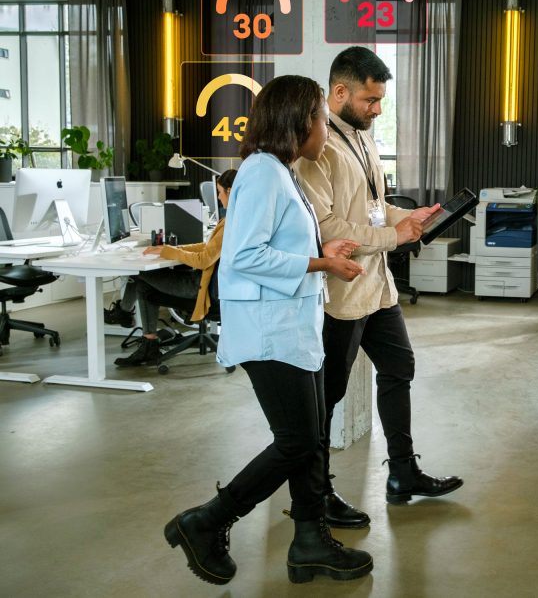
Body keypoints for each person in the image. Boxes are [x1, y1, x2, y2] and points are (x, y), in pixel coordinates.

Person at [164, 75, 373, 586]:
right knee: (297, 442)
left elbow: (278, 243)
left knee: (312, 439)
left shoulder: (281, 171)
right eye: (321, 119)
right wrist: (321, 264)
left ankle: (309, 543)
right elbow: (245, 256)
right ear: (299, 121)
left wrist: (322, 253)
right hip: (268, 332)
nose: (325, 129)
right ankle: (206, 520)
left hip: (292, 328)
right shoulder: (261, 172)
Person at [293, 46, 463, 516]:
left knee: (399, 367)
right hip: (340, 294)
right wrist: (393, 235)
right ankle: (317, 494)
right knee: (328, 395)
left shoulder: (364, 138)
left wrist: (408, 218)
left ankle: (402, 471)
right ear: (339, 92)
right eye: (370, 100)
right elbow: (325, 227)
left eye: (380, 100)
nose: (378, 110)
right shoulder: (316, 148)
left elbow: (372, 205)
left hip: (378, 286)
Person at [113, 169, 237, 367]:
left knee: (141, 276)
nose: (219, 197)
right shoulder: (239, 218)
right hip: (216, 288)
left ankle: (130, 321)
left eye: (220, 192)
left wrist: (170, 252)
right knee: (145, 281)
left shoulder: (231, 222)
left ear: (230, 191)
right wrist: (173, 249)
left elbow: (203, 260)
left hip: (201, 289)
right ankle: (139, 331)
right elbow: (208, 248)